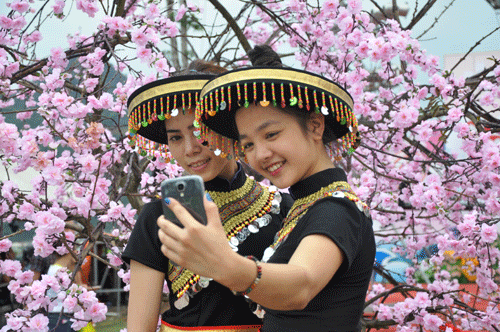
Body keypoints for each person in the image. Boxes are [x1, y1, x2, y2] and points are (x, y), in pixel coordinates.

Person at [157, 45, 376, 332]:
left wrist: (225, 266)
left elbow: (301, 284)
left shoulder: (336, 208)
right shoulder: (305, 206)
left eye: (271, 134)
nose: (259, 155)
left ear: (315, 126)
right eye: (247, 144)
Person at [121, 60, 293, 332]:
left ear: (229, 129)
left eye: (200, 132)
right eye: (176, 138)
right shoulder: (158, 217)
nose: (190, 149)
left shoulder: (284, 208)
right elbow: (139, 328)